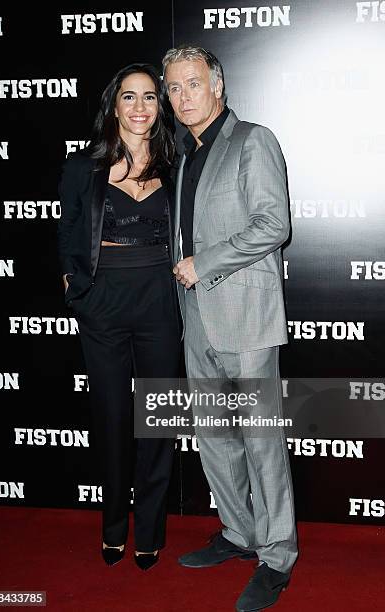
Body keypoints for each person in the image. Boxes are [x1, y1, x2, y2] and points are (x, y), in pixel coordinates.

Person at [163, 44, 298, 610]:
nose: (182, 97)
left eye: (192, 84)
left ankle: (276, 555)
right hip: (197, 318)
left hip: (246, 317)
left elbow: (274, 224)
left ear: (217, 84)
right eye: (173, 88)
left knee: (262, 443)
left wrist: (205, 263)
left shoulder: (253, 140)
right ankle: (239, 533)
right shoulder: (186, 154)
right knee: (216, 439)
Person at [57, 63, 181, 571]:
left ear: (159, 106)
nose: (139, 107)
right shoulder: (81, 166)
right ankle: (113, 526)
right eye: (129, 97)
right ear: (114, 105)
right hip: (103, 301)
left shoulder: (179, 164)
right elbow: (66, 231)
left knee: (156, 421)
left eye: (149, 97)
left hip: (159, 301)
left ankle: (149, 530)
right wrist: (74, 285)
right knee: (110, 419)